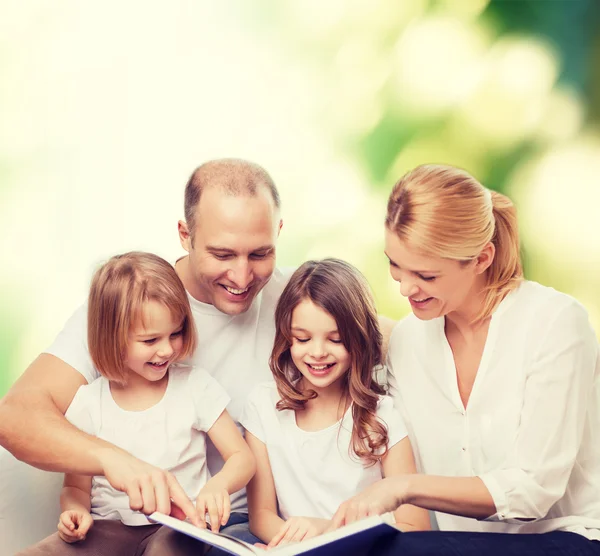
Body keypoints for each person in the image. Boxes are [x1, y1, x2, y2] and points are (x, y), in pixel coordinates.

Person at [0, 159, 291, 544]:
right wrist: (115, 461)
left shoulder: (297, 303)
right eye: (222, 255)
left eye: (259, 254)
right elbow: (15, 418)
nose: (241, 277)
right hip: (114, 525)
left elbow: (372, 331)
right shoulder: (124, 305)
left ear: (279, 233)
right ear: (185, 235)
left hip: (218, 529)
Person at [330, 164, 600, 555]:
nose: (406, 287)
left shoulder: (555, 323)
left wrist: (403, 486)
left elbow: (532, 490)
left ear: (481, 258)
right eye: (395, 265)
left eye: (426, 274)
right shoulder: (407, 340)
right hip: (456, 544)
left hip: (566, 538)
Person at [18, 252, 255, 555]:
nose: (167, 349)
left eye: (176, 333)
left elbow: (242, 457)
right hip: (108, 528)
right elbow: (76, 487)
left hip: (180, 527)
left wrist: (218, 485)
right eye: (150, 340)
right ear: (113, 338)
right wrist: (74, 512)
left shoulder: (195, 386)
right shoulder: (90, 402)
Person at [241, 258, 430, 548]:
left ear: (359, 338)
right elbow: (262, 515)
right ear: (287, 338)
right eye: (303, 339)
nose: (317, 352)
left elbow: (414, 526)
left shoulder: (383, 415)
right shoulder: (263, 406)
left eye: (336, 339)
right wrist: (289, 546)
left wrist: (327, 532)